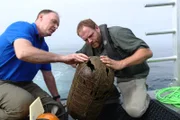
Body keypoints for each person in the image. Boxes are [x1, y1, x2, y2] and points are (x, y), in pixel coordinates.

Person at [0, 9, 89, 120]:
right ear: (40, 17)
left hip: (24, 83)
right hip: (1, 81)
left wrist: (56, 98)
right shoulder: (21, 27)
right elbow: (23, 52)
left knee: (56, 109)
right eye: (53, 21)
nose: (56, 26)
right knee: (23, 103)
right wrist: (63, 58)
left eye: (57, 25)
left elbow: (48, 75)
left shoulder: (44, 47)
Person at [76, 18, 153, 118]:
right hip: (113, 79)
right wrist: (75, 60)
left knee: (134, 111)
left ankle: (143, 96)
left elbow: (147, 52)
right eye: (85, 39)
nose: (89, 41)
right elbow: (78, 56)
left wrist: (121, 63)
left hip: (133, 76)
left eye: (91, 35)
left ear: (97, 28)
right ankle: (113, 95)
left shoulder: (118, 33)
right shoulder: (90, 43)